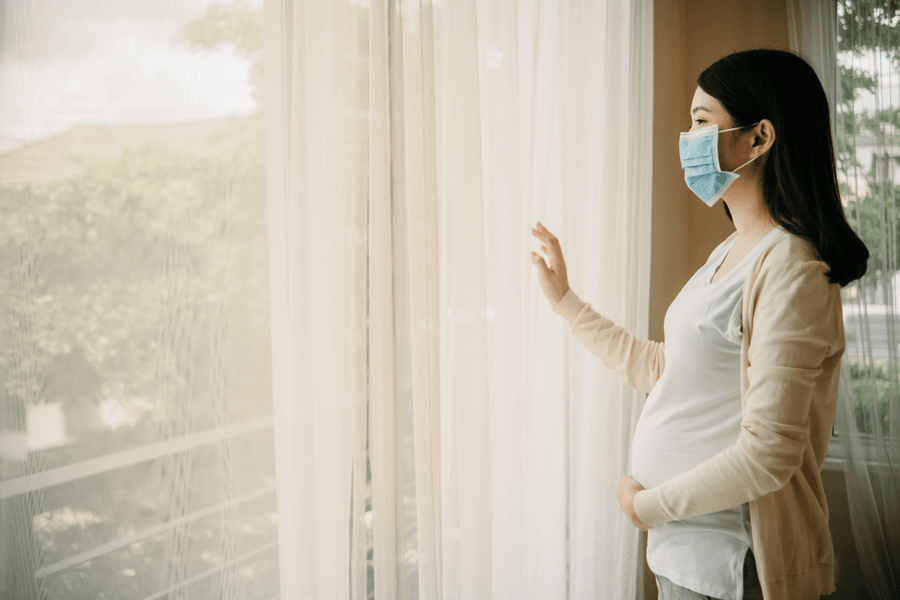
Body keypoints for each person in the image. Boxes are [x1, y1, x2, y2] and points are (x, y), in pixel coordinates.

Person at [530, 49, 869, 600]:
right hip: (685, 561)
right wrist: (566, 302)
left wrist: (647, 505)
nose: (687, 139)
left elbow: (770, 454)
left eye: (701, 122)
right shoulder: (733, 249)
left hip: (736, 566)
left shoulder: (791, 268)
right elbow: (668, 368)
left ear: (759, 138)